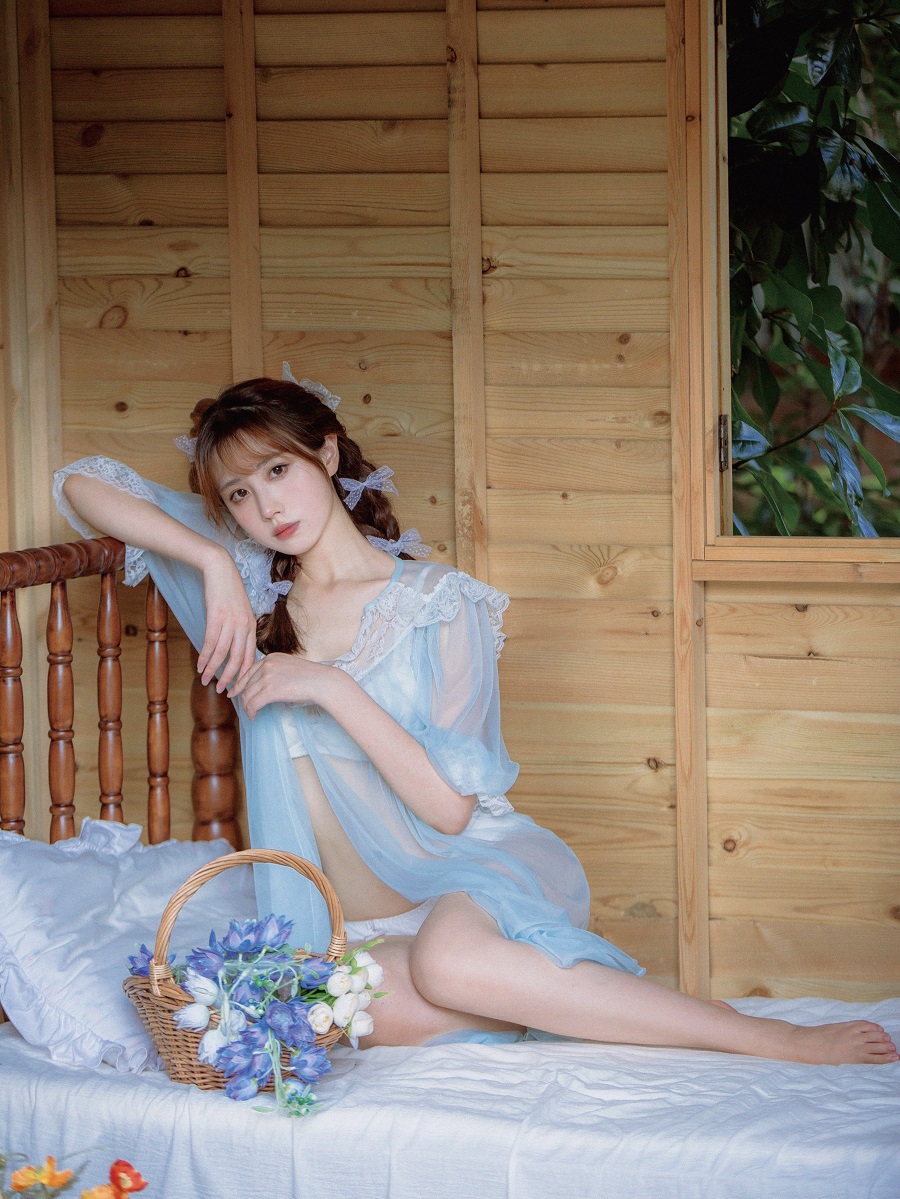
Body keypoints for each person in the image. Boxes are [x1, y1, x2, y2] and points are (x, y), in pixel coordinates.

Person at [54, 369, 897, 1066]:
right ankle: (541, 999)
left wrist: (328, 686)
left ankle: (760, 1034)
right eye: (239, 493)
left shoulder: (439, 603)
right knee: (300, 1010)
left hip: (473, 881)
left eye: (279, 470)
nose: (265, 506)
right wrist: (208, 560)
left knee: (449, 959)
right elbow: (79, 483)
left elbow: (451, 810)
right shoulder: (244, 593)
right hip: (354, 928)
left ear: (327, 453)